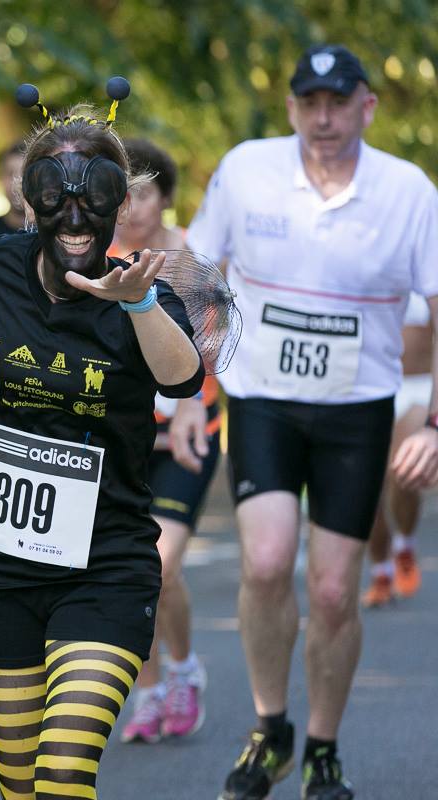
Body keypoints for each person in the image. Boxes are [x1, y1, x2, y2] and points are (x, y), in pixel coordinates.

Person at [0, 84, 206, 800]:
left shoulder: (144, 291)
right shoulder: (3, 264)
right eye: (55, 195)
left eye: (93, 197)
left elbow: (183, 378)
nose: (74, 216)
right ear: (28, 198)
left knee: (66, 768)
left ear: (119, 203)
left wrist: (137, 303)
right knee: (21, 782)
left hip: (103, 565)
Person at [187, 44, 438, 800]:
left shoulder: (409, 190)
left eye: (339, 102)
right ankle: (271, 730)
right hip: (262, 396)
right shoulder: (247, 168)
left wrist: (432, 423)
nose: (324, 118)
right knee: (266, 563)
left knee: (332, 591)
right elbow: (197, 272)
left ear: (367, 107)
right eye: (310, 103)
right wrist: (192, 383)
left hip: (357, 408)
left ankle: (323, 747)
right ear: (292, 108)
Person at [110, 139, 217, 744]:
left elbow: (213, 350)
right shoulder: (98, 258)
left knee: (158, 563)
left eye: (144, 192)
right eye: (121, 194)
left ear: (166, 198)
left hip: (186, 434)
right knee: (129, 570)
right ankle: (148, 692)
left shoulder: (195, 261)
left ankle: (184, 669)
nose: (130, 206)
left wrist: (189, 406)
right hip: (123, 438)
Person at [362, 292, 432, 607]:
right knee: (367, 487)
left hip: (420, 388)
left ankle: (404, 544)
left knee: (402, 469)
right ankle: (381, 572)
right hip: (375, 388)